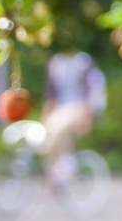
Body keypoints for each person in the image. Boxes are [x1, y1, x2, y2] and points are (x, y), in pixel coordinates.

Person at [41, 50, 105, 182]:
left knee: (59, 129)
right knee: (48, 138)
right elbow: (52, 95)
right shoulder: (56, 65)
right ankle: (58, 170)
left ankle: (68, 169)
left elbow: (92, 90)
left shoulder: (82, 64)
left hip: (78, 106)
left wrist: (86, 116)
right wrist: (45, 116)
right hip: (63, 108)